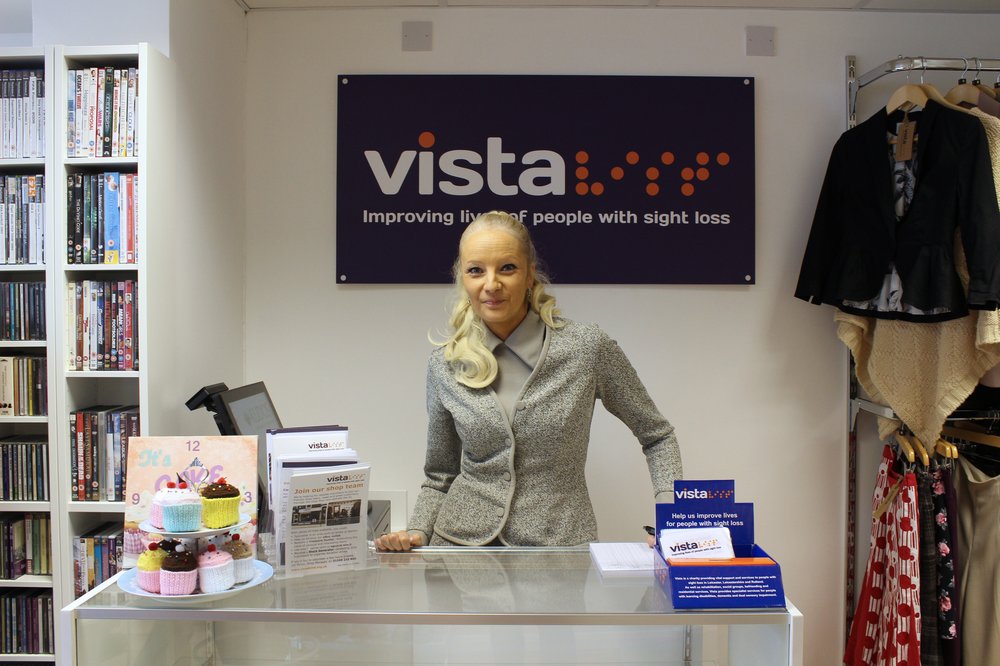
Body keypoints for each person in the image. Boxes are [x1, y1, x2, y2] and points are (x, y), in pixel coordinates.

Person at [375, 211, 682, 551]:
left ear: (529, 275)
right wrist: (417, 531)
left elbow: (657, 436)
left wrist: (672, 519)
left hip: (560, 547)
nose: (491, 284)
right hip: (459, 552)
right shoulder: (445, 364)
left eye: (507, 268)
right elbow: (440, 475)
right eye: (476, 270)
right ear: (463, 278)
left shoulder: (587, 348)